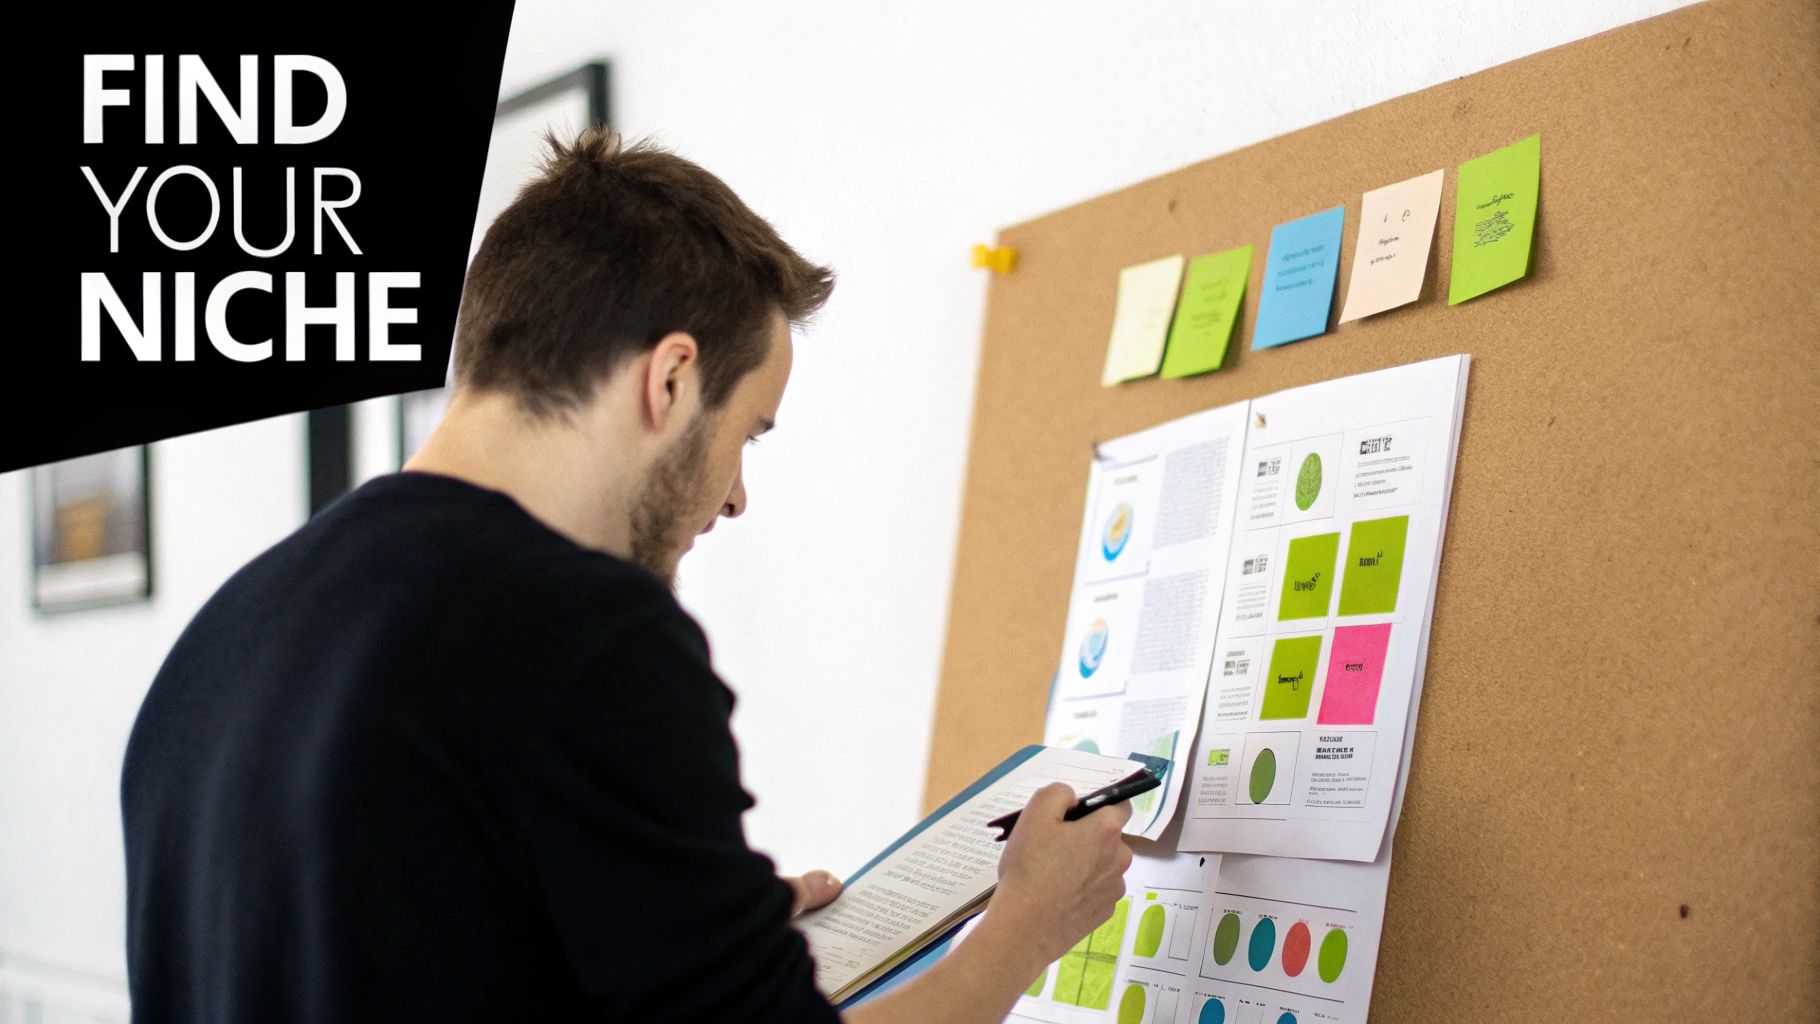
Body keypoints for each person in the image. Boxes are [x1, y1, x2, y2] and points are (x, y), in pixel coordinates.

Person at [121, 127, 1133, 1023]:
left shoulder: (221, 642)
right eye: (747, 433)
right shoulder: (582, 631)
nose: (735, 497)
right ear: (670, 379)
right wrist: (1024, 927)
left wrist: (673, 928)